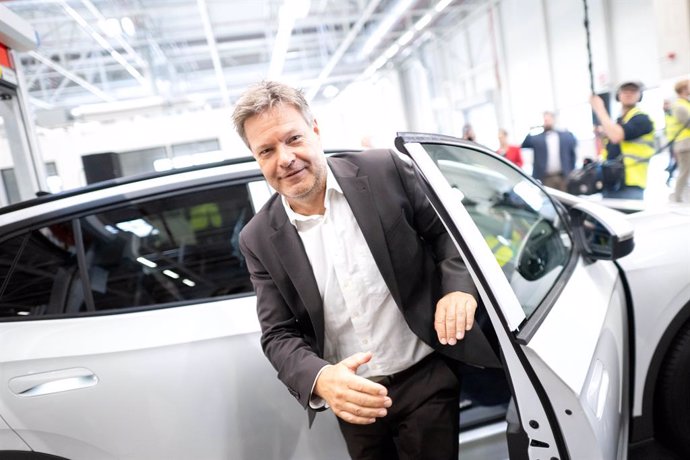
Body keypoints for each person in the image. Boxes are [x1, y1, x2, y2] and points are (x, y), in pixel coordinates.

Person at [232, 81, 498, 459]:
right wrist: (321, 379)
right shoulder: (258, 238)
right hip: (354, 397)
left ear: (316, 131)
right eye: (267, 150)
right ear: (256, 158)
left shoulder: (383, 170)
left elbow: (447, 234)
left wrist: (458, 288)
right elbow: (278, 334)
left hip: (425, 375)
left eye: (293, 138)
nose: (286, 158)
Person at [590, 81, 655, 199]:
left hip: (631, 184)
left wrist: (599, 108)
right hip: (611, 181)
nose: (629, 94)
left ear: (640, 96)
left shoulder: (642, 119)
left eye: (633, 91)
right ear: (618, 95)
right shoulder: (619, 122)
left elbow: (616, 136)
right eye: (625, 91)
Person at [520, 111, 577, 191]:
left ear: (553, 120)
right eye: (545, 120)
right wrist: (531, 131)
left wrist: (572, 171)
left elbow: (573, 151)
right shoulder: (537, 138)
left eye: (548, 119)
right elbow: (524, 145)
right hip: (545, 178)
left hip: (564, 176)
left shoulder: (565, 135)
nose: (547, 122)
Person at [670, 79, 690, 202]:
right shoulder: (680, 106)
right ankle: (677, 198)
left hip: (686, 143)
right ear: (683, 89)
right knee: (684, 171)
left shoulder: (685, 103)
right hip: (685, 144)